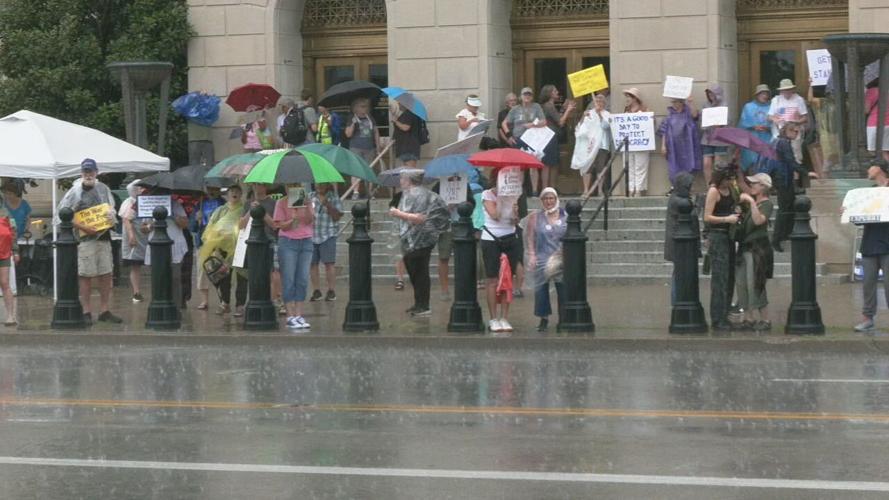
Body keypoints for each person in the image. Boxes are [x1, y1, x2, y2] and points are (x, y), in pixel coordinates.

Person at [57, 159, 122, 325]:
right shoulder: (74, 192)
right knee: (85, 275)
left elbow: (111, 209)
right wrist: (84, 227)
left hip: (104, 238)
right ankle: (86, 311)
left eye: (91, 171)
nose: (88, 174)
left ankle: (104, 310)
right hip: (85, 240)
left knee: (106, 273)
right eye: (85, 171)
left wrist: (110, 217)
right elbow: (64, 214)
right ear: (81, 173)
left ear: (96, 172)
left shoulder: (103, 189)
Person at [388, 170, 449, 317]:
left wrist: (398, 213)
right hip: (410, 238)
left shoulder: (421, 195)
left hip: (421, 239)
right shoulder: (408, 194)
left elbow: (421, 218)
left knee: (420, 271)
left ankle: (424, 305)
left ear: (410, 180)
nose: (401, 181)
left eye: (403, 178)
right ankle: (419, 303)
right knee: (413, 270)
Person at [759, 122, 818, 252]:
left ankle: (784, 235)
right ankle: (778, 238)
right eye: (795, 131)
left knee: (787, 208)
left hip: (780, 178)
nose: (797, 134)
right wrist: (807, 173)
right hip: (783, 179)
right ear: (788, 131)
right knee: (785, 209)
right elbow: (791, 162)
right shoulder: (784, 143)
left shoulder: (776, 142)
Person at [480, 169, 522, 333]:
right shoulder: (487, 194)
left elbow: (514, 221)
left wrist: (515, 211)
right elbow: (495, 215)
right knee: (492, 279)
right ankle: (493, 318)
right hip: (492, 238)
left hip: (510, 237)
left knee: (507, 279)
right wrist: (500, 199)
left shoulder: (513, 196)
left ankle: (504, 317)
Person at [735, 173, 774, 331]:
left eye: (755, 183)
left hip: (758, 249)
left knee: (756, 283)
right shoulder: (752, 204)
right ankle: (748, 317)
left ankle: (765, 319)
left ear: (763, 186)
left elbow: (759, 221)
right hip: (744, 247)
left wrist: (751, 202)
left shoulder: (766, 204)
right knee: (742, 283)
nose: (751, 186)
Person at [853, 162, 889, 332]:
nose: (868, 170)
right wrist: (849, 212)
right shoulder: (869, 192)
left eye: (871, 166)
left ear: (880, 170)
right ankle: (868, 318)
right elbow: (859, 218)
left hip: (887, 243)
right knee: (868, 284)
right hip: (870, 243)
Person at [141, 186, 190, 311]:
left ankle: (176, 307)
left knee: (175, 278)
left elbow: (185, 224)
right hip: (156, 247)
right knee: (158, 278)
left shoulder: (176, 205)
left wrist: (173, 215)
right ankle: (158, 305)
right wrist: (151, 226)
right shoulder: (149, 205)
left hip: (174, 245)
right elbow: (143, 228)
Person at [200, 185, 247, 315]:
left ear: (241, 194)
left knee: (242, 276)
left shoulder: (244, 210)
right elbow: (210, 226)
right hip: (222, 248)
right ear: (227, 194)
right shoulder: (220, 210)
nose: (234, 193)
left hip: (240, 246)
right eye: (232, 191)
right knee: (223, 275)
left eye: (237, 191)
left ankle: (240, 305)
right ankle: (225, 303)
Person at [524, 187, 566, 332]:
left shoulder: (565, 215)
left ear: (556, 199)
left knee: (563, 288)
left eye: (551, 198)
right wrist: (532, 255)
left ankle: (563, 317)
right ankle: (543, 318)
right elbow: (530, 237)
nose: (549, 201)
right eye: (546, 198)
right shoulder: (535, 217)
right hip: (542, 256)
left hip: (560, 257)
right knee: (541, 289)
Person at [703, 165, 739, 331]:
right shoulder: (714, 191)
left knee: (729, 276)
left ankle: (725, 313)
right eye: (727, 179)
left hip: (729, 235)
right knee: (720, 278)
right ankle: (717, 317)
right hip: (718, 235)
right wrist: (726, 219)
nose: (730, 181)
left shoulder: (731, 190)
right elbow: (707, 216)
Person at [274, 183, 315, 329]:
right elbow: (281, 226)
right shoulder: (281, 202)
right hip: (288, 242)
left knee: (302, 279)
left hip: (306, 241)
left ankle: (299, 314)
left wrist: (307, 205)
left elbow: (310, 220)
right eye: (290, 185)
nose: (293, 188)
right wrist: (293, 219)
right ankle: (290, 315)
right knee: (289, 278)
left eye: (296, 185)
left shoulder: (307, 201)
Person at [239, 183, 281, 313]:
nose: (257, 187)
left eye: (260, 185)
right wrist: (250, 211)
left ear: (265, 187)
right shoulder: (248, 203)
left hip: (270, 239)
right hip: (253, 242)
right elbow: (241, 225)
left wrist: (262, 213)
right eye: (255, 185)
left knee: (274, 271)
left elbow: (275, 225)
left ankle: (275, 300)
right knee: (255, 272)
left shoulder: (273, 203)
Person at [502, 87, 548, 194]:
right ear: (521, 97)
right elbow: (504, 123)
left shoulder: (536, 107)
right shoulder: (515, 109)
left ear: (532, 96)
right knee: (519, 166)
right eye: (525, 94)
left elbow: (544, 121)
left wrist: (533, 124)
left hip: (532, 139)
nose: (527, 96)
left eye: (529, 94)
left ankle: (534, 190)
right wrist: (509, 136)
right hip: (518, 139)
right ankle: (519, 190)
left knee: (533, 165)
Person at [664, 172, 699, 306]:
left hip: (679, 241)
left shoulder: (676, 198)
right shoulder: (678, 201)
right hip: (679, 243)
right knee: (678, 274)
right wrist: (696, 206)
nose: (692, 188)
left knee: (678, 273)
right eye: (690, 185)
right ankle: (677, 301)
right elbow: (689, 214)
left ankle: (678, 301)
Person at [571, 94, 611, 196]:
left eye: (601, 101)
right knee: (587, 167)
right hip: (589, 145)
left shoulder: (607, 114)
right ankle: (586, 190)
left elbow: (606, 126)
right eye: (597, 101)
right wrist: (584, 117)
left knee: (600, 168)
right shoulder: (589, 113)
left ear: (604, 103)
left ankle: (600, 190)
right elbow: (580, 127)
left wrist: (599, 114)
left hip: (602, 145)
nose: (599, 103)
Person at [309, 183, 343, 302]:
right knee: (312, 264)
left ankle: (331, 291)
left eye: (322, 183)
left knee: (329, 263)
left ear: (327, 184)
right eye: (318, 183)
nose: (319, 186)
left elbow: (337, 216)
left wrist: (328, 205)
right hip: (311, 234)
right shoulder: (310, 197)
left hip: (328, 234)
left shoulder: (334, 197)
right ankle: (316, 291)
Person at [538, 85, 576, 191]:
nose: (557, 92)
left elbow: (556, 117)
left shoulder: (549, 106)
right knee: (548, 163)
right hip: (549, 138)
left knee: (553, 163)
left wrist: (563, 108)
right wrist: (568, 110)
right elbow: (560, 122)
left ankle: (551, 188)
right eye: (555, 91)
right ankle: (547, 188)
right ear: (549, 93)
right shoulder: (548, 106)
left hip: (551, 137)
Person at [657, 97, 702, 183]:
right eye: (672, 102)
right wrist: (663, 146)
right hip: (673, 147)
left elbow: (695, 115)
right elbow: (664, 131)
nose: (673, 104)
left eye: (675, 102)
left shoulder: (688, 113)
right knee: (674, 168)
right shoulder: (670, 115)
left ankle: (687, 186)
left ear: (681, 103)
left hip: (687, 146)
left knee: (688, 166)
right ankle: (674, 186)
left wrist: (690, 102)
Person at [196, 186, 226, 310]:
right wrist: (197, 219)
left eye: (214, 189)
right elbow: (192, 227)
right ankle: (204, 300)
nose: (211, 192)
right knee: (202, 270)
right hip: (203, 242)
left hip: (219, 242)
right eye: (209, 189)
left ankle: (223, 300)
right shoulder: (200, 204)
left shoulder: (224, 204)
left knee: (221, 271)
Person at [119, 180, 149, 302]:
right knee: (135, 264)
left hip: (147, 236)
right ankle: (136, 292)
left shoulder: (148, 201)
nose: (142, 190)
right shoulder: (130, 202)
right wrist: (131, 236)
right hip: (136, 237)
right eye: (139, 188)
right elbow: (127, 219)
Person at [345, 97, 380, 200]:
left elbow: (376, 132)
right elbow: (348, 134)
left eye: (366, 107)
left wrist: (378, 147)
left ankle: (369, 192)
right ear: (355, 108)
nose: (365, 109)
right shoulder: (352, 118)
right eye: (362, 107)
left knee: (370, 169)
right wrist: (353, 123)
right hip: (356, 147)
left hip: (369, 148)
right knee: (356, 169)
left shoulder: (370, 118)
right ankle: (356, 192)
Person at [768, 79, 808, 163]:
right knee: (779, 156)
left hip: (794, 132)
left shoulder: (799, 99)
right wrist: (776, 120)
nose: (787, 91)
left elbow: (805, 118)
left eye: (789, 89)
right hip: (779, 133)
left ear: (792, 89)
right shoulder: (776, 100)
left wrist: (796, 122)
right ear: (781, 91)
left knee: (795, 156)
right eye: (785, 90)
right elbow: (769, 117)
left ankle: (796, 171)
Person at [621, 88, 651, 196]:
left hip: (641, 144)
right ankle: (630, 189)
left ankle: (638, 190)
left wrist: (650, 118)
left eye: (628, 97)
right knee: (628, 166)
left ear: (635, 98)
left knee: (640, 166)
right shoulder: (626, 110)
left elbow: (650, 124)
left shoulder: (644, 110)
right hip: (628, 144)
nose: (627, 99)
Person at [738, 84, 773, 173]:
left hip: (767, 139)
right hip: (752, 140)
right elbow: (742, 123)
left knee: (766, 163)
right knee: (752, 163)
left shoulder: (772, 107)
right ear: (757, 95)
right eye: (762, 93)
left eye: (766, 94)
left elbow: (777, 124)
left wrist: (768, 128)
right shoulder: (748, 107)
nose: (764, 96)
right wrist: (753, 126)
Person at [700, 84, 730, 184]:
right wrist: (705, 124)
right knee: (706, 163)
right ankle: (709, 186)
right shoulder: (705, 105)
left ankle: (717, 185)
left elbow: (729, 120)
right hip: (707, 138)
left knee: (718, 164)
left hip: (720, 138)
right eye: (709, 93)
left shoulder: (724, 104)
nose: (710, 95)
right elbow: (702, 120)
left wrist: (721, 124)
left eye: (712, 93)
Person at [865, 80, 889, 163]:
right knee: (885, 149)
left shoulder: (872, 91)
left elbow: (866, 110)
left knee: (875, 150)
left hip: (875, 123)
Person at [391, 102, 421, 167]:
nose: (398, 104)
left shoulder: (408, 114)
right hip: (407, 147)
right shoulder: (407, 114)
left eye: (399, 103)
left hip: (409, 147)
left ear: (404, 104)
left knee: (410, 170)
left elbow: (406, 127)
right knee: (407, 170)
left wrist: (395, 121)